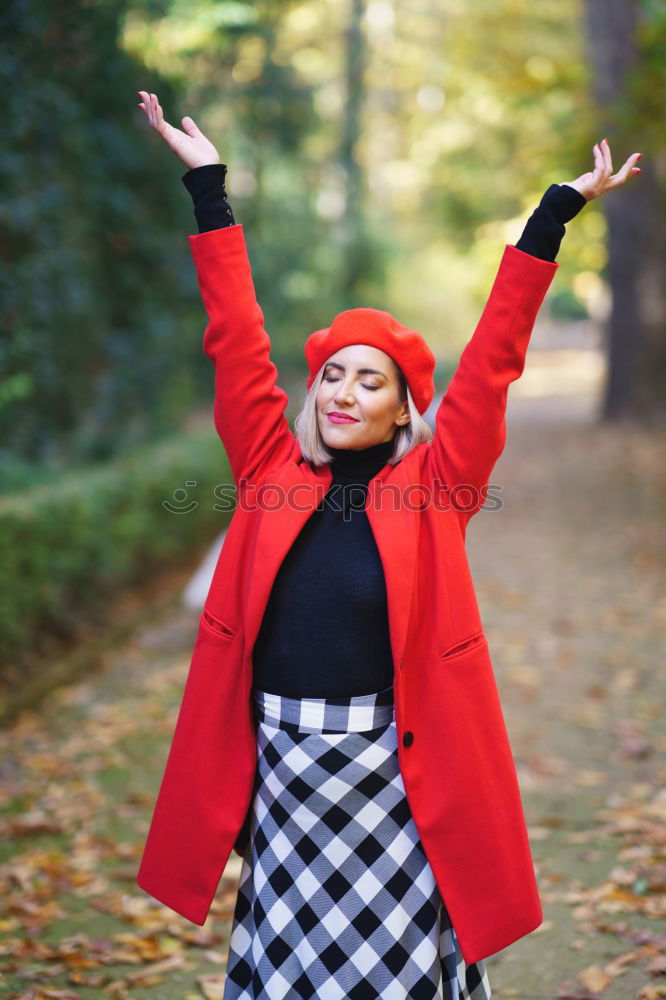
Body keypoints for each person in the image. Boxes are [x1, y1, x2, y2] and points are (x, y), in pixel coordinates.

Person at [136, 91, 641, 1000]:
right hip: (286, 774)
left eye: (369, 381)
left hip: (389, 778)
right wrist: (208, 187)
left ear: (404, 407)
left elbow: (492, 362)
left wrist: (551, 217)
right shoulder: (268, 466)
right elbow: (236, 342)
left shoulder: (437, 485)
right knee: (289, 969)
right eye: (332, 374)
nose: (342, 393)